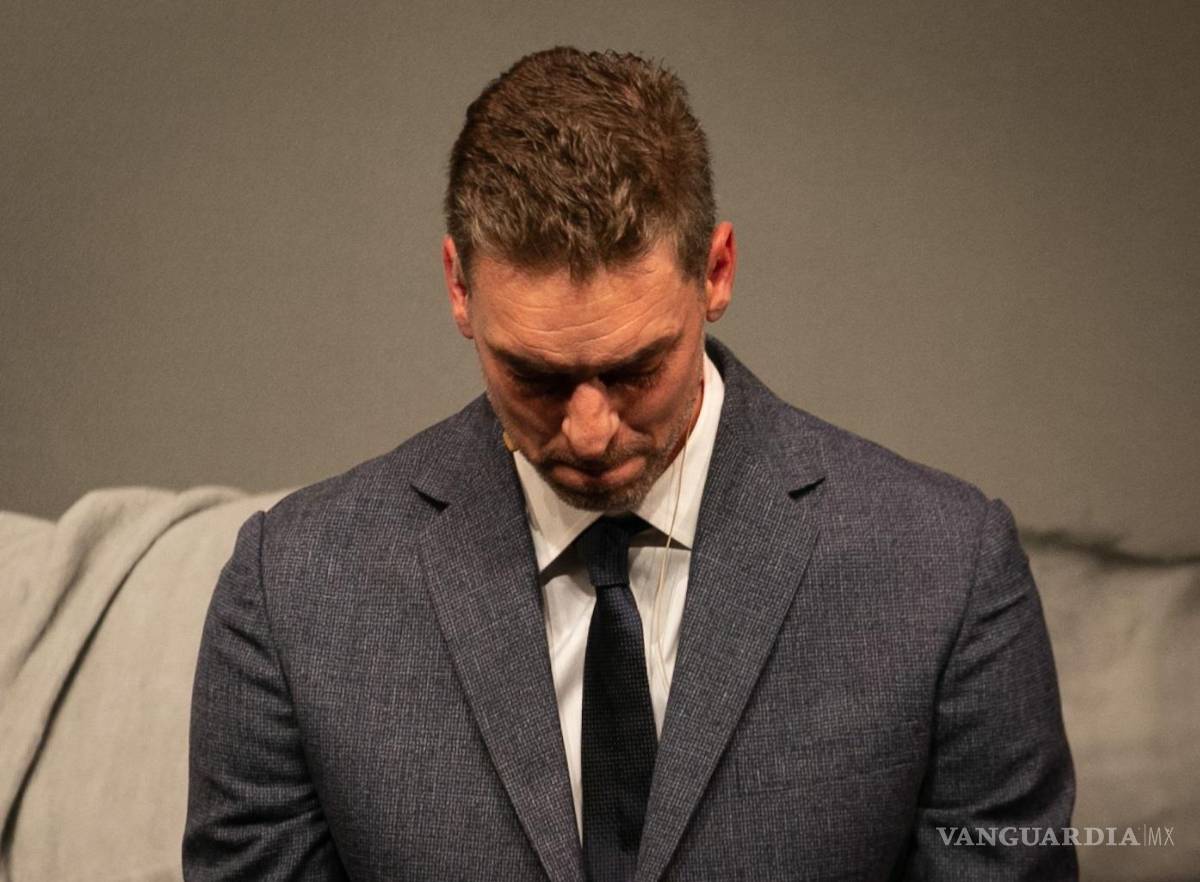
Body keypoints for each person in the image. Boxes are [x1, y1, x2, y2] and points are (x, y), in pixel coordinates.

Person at [184, 47, 1077, 881]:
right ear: (459, 287)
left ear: (717, 271)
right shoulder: (294, 591)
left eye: (635, 369)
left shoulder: (946, 571)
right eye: (535, 375)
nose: (589, 430)